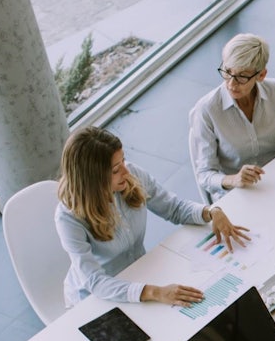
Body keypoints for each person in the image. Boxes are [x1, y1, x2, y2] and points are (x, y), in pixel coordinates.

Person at [55, 126, 249, 307]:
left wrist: (211, 212)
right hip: (97, 300)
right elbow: (94, 281)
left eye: (123, 160)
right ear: (92, 179)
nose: (126, 170)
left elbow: (173, 208)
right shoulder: (68, 217)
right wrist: (155, 292)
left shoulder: (131, 175)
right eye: (115, 170)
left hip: (140, 276)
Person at [189, 33, 275, 203]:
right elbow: (205, 175)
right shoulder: (207, 110)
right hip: (238, 195)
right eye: (227, 72)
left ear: (261, 75)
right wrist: (234, 179)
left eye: (242, 76)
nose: (231, 84)